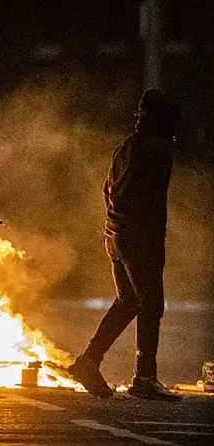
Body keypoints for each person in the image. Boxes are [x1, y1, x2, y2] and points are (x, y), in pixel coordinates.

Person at [69, 89, 181, 401]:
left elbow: (108, 191)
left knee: (129, 301)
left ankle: (88, 362)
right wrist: (149, 239)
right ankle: (145, 377)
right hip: (139, 240)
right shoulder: (155, 150)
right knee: (151, 304)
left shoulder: (126, 147)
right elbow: (149, 201)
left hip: (116, 236)